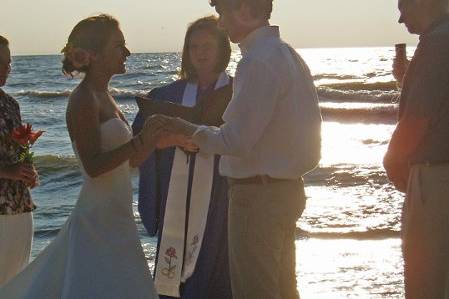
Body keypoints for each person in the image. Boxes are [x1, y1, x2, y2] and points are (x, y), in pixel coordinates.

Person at [150, 0, 322, 298]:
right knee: (284, 289)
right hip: (286, 189)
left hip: (258, 196)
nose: (221, 22)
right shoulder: (287, 54)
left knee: (255, 291)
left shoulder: (257, 62)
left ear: (244, 9)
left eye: (223, 13)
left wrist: (186, 129)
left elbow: (236, 141)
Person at [0, 14, 162, 298]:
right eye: (119, 45)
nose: (127, 52)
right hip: (98, 215)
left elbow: (127, 162)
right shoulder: (84, 99)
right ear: (94, 54)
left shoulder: (106, 97)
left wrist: (156, 141)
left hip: (118, 211)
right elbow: (93, 166)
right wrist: (140, 140)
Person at [132, 16, 233, 299]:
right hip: (178, 199)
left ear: (223, 49)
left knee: (220, 269)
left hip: (222, 198)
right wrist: (174, 139)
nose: (200, 52)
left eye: (207, 46)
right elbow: (141, 141)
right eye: (194, 46)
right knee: (175, 273)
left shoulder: (239, 93)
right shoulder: (167, 94)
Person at [383, 0, 449, 297]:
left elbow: (418, 120)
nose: (400, 18)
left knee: (426, 281)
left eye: (403, 7)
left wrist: (392, 160)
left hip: (435, 177)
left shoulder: (436, 43)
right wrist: (406, 81)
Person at [0, 35, 39, 286]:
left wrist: (28, 169)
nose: (6, 69)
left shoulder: (10, 104)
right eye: (0, 62)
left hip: (19, 204)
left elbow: (18, 149)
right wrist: (9, 171)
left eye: (9, 63)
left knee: (16, 284)